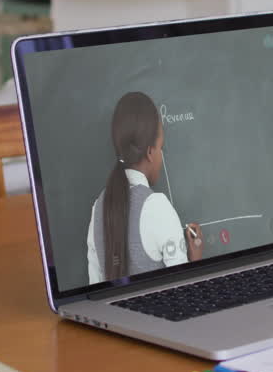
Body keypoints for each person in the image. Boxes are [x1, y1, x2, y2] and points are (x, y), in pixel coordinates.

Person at [86, 91, 203, 285]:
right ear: (150, 152)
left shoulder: (98, 208)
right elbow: (185, 290)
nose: (162, 156)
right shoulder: (157, 207)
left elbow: (95, 285)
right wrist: (196, 258)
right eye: (161, 148)